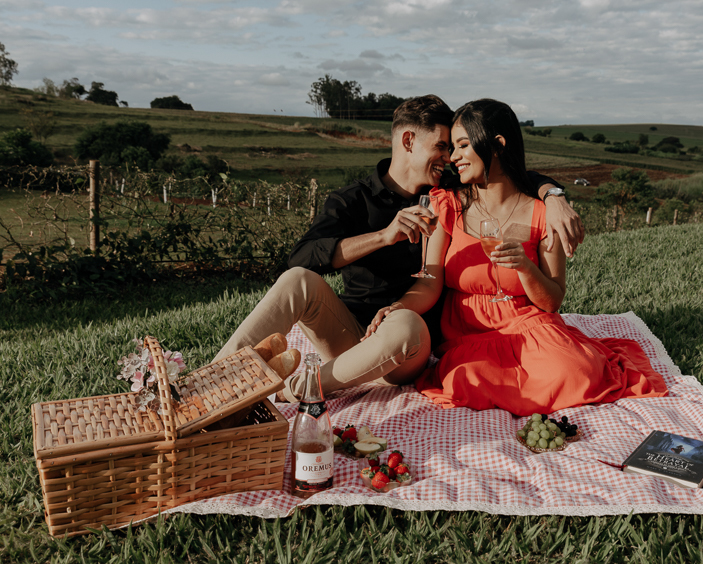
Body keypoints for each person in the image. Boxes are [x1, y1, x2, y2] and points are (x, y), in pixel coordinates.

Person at [215, 95, 584, 401]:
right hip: (350, 336)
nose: (449, 158)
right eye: (441, 146)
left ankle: (294, 389)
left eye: (454, 148)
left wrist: (553, 194)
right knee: (297, 279)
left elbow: (502, 172)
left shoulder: (445, 192)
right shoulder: (352, 200)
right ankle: (212, 383)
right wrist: (383, 236)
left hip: (407, 344)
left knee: (405, 324)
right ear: (408, 141)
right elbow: (302, 258)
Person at [364, 98, 668, 416]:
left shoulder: (543, 214)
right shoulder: (448, 205)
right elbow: (429, 283)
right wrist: (398, 307)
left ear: (498, 145)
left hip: (530, 326)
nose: (453, 158)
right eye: (452, 148)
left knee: (577, 372)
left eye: (463, 145)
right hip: (469, 335)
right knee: (466, 380)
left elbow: (552, 301)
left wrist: (525, 267)